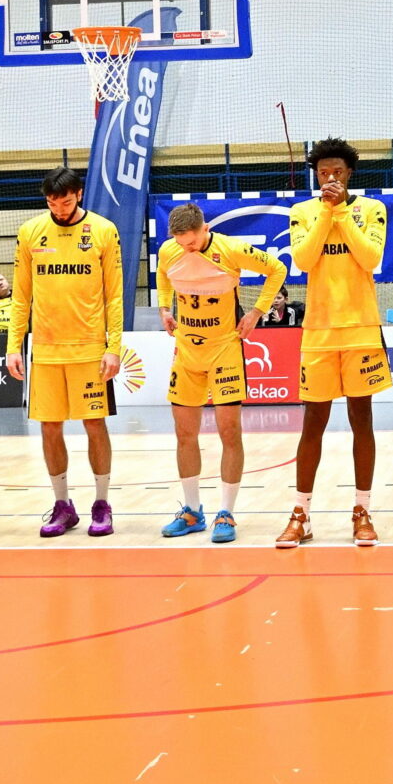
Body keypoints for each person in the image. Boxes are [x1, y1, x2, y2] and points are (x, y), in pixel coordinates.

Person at [154, 202, 286, 544]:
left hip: (225, 349)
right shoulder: (169, 250)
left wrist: (256, 312)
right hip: (187, 351)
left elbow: (277, 269)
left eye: (192, 241)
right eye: (181, 243)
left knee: (230, 432)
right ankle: (192, 511)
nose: (187, 248)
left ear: (205, 229)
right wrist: (165, 308)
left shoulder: (231, 249)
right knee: (185, 434)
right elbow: (163, 274)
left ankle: (226, 512)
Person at [281, 138, 389, 548]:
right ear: (316, 174)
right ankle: (301, 514)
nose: (330, 177)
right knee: (313, 423)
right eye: (324, 172)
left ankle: (362, 511)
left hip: (361, 328)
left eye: (337, 172)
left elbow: (370, 258)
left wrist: (341, 210)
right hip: (319, 331)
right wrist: (327, 212)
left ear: (349, 173)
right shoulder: (303, 212)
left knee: (362, 420)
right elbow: (304, 260)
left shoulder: (372, 209)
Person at [6, 168, 124, 538]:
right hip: (45, 349)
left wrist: (114, 347)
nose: (59, 209)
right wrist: (14, 345)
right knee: (49, 427)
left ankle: (101, 504)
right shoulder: (30, 232)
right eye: (52, 203)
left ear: (79, 195)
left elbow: (115, 296)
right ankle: (62, 505)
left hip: (89, 348)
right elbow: (21, 295)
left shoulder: (104, 230)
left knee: (94, 424)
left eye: (66, 201)